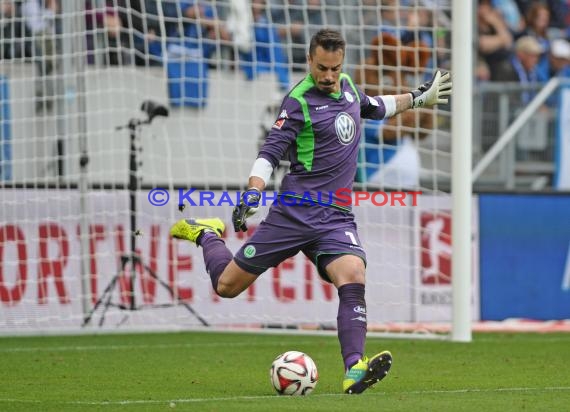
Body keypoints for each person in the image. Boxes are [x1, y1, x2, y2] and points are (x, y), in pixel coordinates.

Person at [170, 29, 451, 394]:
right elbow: (270, 152)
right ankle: (207, 233)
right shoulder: (297, 102)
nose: (329, 76)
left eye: (335, 68)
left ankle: (354, 368)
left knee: (353, 275)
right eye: (322, 68)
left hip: (335, 217)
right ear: (309, 61)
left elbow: (376, 106)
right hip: (294, 213)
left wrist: (417, 98)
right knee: (227, 286)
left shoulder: (347, 86)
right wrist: (253, 192)